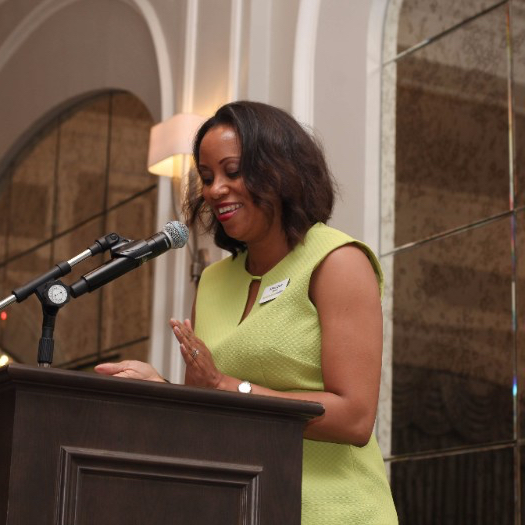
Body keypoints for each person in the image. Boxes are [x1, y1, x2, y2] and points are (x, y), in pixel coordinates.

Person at [95, 101, 398, 524]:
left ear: (281, 169)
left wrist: (226, 384)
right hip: (240, 508)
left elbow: (355, 418)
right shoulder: (214, 280)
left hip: (332, 511)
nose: (214, 189)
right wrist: (160, 389)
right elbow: (210, 416)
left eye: (232, 171)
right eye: (206, 177)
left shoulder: (337, 261)